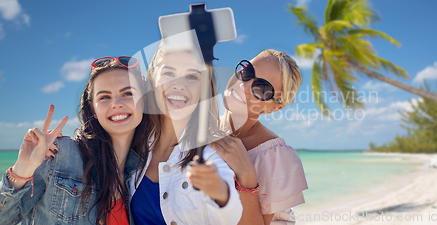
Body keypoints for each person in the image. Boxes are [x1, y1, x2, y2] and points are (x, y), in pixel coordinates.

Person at [0, 56, 151, 225]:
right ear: (93, 109)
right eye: (104, 97)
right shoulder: (59, 154)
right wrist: (21, 170)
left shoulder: (143, 173)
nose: (116, 103)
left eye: (128, 93)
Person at [129, 36, 243, 225]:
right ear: (152, 79)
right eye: (169, 73)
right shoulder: (135, 143)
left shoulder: (210, 153)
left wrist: (221, 193)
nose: (179, 85)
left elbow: (229, 216)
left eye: (192, 76)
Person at [210, 49, 308, 225]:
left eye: (262, 88)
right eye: (247, 71)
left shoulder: (275, 158)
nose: (243, 85)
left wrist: (247, 178)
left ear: (274, 108)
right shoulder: (199, 129)